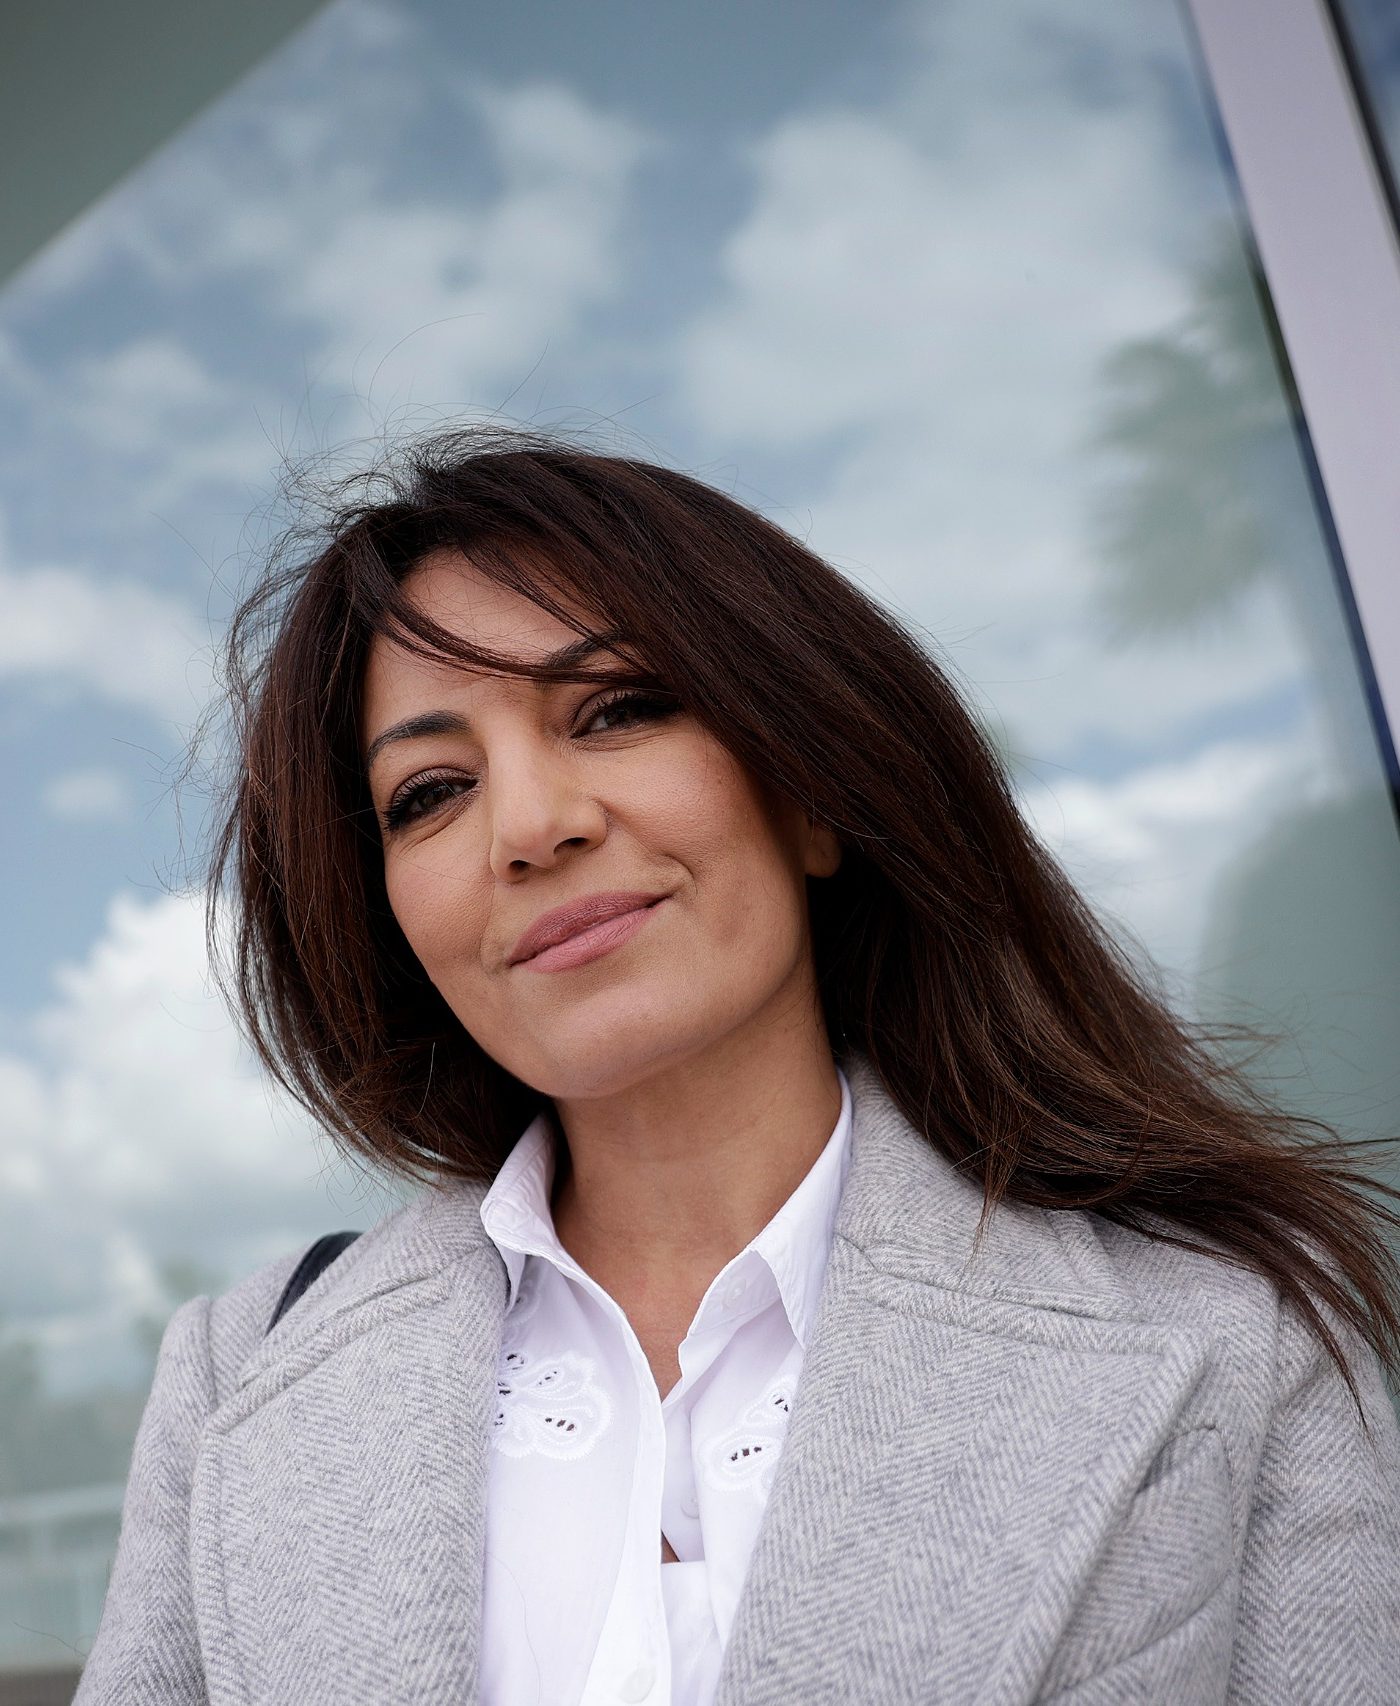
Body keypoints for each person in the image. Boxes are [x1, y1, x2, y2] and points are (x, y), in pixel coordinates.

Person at [76, 427, 1400, 1705]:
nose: (529, 825)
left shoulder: (1232, 1327)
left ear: (812, 796)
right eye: (430, 792)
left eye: (616, 709)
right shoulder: (239, 1378)